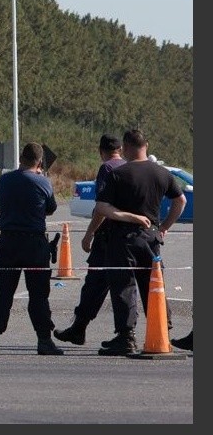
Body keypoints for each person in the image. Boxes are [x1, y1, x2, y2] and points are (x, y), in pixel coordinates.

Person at [94, 129, 186, 356]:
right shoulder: (162, 173)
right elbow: (180, 201)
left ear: (125, 147)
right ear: (146, 145)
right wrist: (164, 227)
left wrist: (129, 216)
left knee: (124, 286)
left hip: (123, 238)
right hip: (151, 237)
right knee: (153, 285)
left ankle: (126, 337)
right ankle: (162, 329)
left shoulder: (119, 174)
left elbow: (102, 207)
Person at [0, 142, 63, 355]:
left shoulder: (4, 180)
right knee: (38, 295)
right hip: (34, 244)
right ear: (39, 161)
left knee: (3, 293)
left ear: (20, 159)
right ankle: (44, 340)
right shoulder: (43, 182)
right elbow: (51, 209)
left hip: (7, 242)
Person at [53, 134, 126, 345]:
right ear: (121, 149)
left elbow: (102, 207)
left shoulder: (107, 169)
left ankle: (79, 328)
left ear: (101, 151)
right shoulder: (129, 167)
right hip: (128, 235)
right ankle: (156, 328)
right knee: (128, 285)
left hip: (107, 236)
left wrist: (89, 234)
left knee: (95, 283)